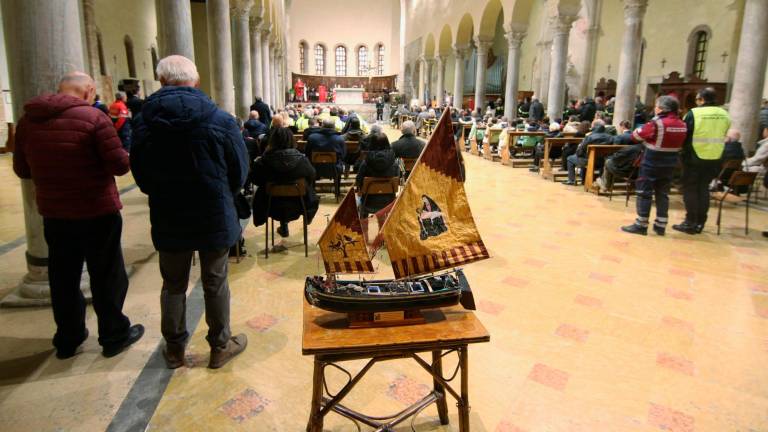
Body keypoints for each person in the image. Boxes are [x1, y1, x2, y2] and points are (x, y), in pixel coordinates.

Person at [13, 71, 143, 359]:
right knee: (106, 273)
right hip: (96, 209)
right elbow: (120, 165)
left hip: (55, 213)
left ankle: (68, 338)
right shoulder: (94, 119)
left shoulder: (27, 122)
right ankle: (113, 335)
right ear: (88, 91)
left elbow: (22, 170)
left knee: (63, 276)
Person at [131, 55, 249, 369]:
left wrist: (161, 192)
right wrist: (224, 193)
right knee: (215, 282)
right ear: (195, 81)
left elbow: (140, 173)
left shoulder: (144, 122)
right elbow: (240, 170)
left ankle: (174, 350)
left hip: (169, 215)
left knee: (173, 285)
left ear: (161, 82)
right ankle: (219, 347)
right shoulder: (220, 119)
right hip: (213, 214)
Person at [621, 96, 687, 235]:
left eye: (656, 106)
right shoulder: (682, 124)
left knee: (644, 193)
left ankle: (641, 224)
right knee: (662, 193)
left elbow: (636, 136)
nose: (655, 109)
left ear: (662, 108)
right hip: (671, 163)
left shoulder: (657, 123)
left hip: (652, 162)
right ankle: (660, 225)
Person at [672, 88, 731, 234]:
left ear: (702, 100)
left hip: (694, 157)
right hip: (715, 157)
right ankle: (700, 222)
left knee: (690, 189)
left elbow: (685, 134)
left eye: (698, 100)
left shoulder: (694, 113)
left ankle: (690, 222)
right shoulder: (724, 114)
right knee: (703, 189)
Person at [251, 127, 319, 237]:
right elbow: (312, 176)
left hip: (270, 206)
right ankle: (308, 216)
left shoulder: (263, 162)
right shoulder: (302, 160)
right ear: (291, 140)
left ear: (272, 141)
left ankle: (283, 225)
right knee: (307, 188)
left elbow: (255, 179)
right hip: (298, 205)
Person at [356, 133, 402, 215]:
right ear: (387, 143)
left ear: (372, 143)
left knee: (356, 198)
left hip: (368, 201)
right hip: (389, 201)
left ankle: (363, 225)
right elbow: (397, 180)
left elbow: (359, 181)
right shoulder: (394, 162)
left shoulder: (366, 162)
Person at [564, 119, 612, 185]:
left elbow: (581, 149)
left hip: (588, 160)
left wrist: (578, 154)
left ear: (594, 126)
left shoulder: (590, 136)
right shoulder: (610, 137)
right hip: (602, 161)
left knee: (570, 158)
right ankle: (587, 180)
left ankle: (571, 180)